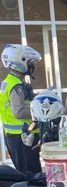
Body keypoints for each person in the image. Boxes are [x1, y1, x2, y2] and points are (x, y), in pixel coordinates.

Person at [0, 44, 41, 175]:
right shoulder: (16, 86)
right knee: (31, 175)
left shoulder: (10, 82)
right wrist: (38, 110)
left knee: (25, 173)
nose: (32, 66)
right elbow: (18, 112)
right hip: (22, 137)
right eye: (30, 62)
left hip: (18, 137)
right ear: (20, 62)